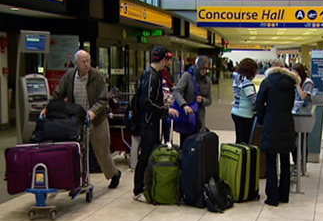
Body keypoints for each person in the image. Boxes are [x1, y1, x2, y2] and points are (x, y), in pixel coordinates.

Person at [41, 49, 122, 189]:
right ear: (76, 63)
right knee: (78, 151)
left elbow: (103, 99)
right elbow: (58, 95)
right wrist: (47, 108)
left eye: (88, 60)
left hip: (97, 119)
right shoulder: (69, 77)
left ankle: (113, 174)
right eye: (83, 61)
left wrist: (93, 112)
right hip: (77, 120)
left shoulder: (97, 77)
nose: (86, 64)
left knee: (102, 151)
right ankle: (77, 178)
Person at [133, 46, 179, 202]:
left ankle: (147, 185)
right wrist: (164, 110)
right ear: (163, 59)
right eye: (168, 59)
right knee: (145, 156)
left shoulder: (153, 75)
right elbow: (146, 101)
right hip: (148, 123)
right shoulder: (151, 77)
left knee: (150, 154)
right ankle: (138, 190)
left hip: (151, 122)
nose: (169, 62)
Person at [255, 63, 300, 207]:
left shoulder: (267, 83)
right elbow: (292, 104)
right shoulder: (291, 84)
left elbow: (259, 105)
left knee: (271, 160)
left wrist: (262, 119)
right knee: (285, 159)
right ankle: (284, 195)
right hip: (287, 122)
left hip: (271, 121)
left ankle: (272, 197)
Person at [173, 55, 212, 147]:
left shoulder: (207, 81)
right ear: (197, 67)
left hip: (199, 118)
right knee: (185, 143)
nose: (204, 71)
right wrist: (184, 105)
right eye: (202, 69)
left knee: (198, 144)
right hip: (187, 116)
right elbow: (176, 92)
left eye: (206, 69)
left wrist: (203, 100)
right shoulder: (187, 76)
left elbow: (209, 100)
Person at [291, 63, 315, 166]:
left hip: (304, 112)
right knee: (292, 140)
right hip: (294, 112)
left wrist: (297, 84)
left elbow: (303, 97)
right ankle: (296, 161)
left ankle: (303, 163)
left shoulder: (307, 82)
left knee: (303, 140)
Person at [231, 58, 258, 144]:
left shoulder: (237, 80)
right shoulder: (247, 83)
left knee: (239, 140)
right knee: (245, 142)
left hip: (236, 111)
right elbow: (253, 101)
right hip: (245, 114)